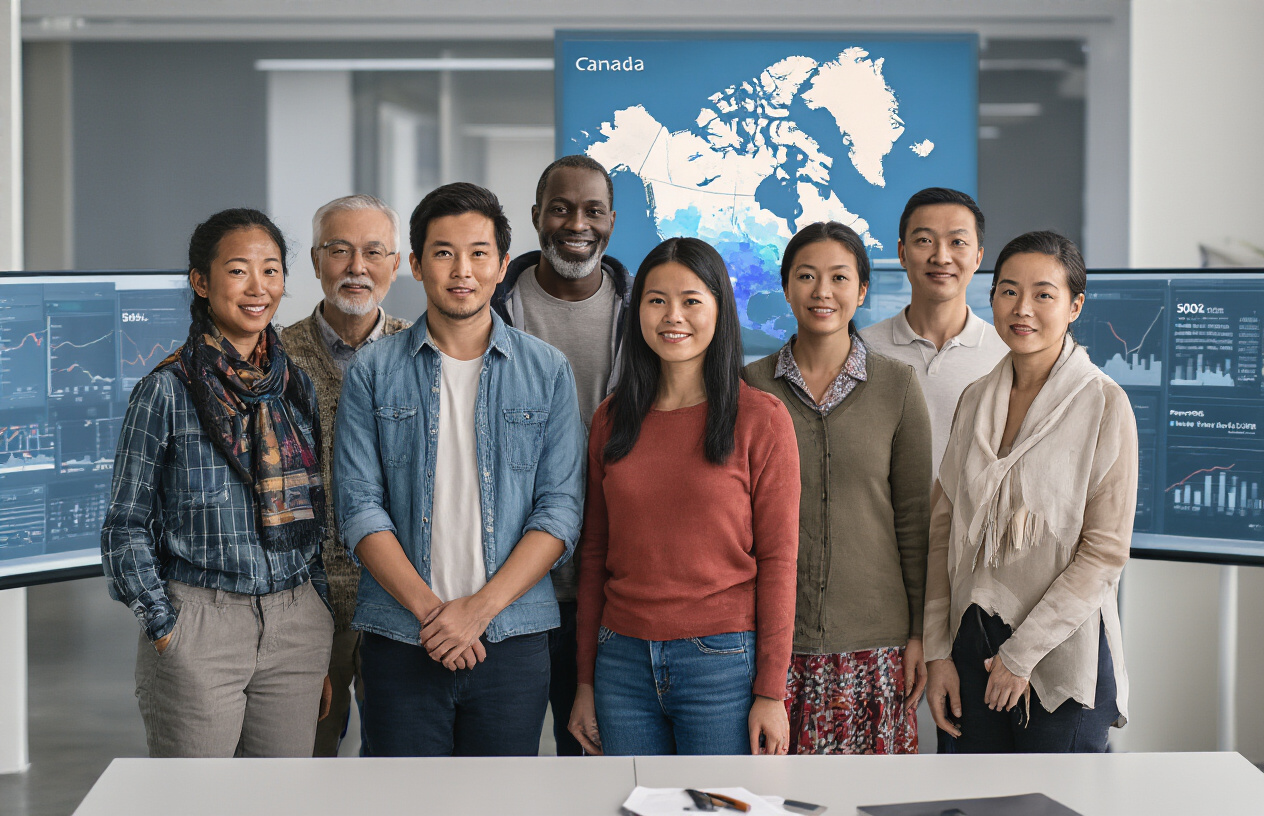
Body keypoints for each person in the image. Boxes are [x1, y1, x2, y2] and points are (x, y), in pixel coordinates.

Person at [333, 182, 586, 757]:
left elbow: (559, 512)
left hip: (513, 639)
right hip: (402, 636)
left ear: (501, 265)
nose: (462, 270)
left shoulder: (547, 371)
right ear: (417, 265)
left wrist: (477, 612)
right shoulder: (373, 371)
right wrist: (435, 617)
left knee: (501, 798)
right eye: (444, 253)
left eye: (478, 253)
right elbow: (359, 508)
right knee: (403, 798)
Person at [101, 208, 333, 757]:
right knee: (197, 796)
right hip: (201, 624)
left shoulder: (294, 385)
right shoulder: (166, 390)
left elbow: (313, 518)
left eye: (271, 270)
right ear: (201, 282)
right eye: (238, 270)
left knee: (281, 795)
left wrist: (316, 615)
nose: (258, 287)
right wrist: (165, 628)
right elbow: (124, 526)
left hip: (295, 624)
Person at [568, 237, 800, 757]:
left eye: (691, 300)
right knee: (631, 800)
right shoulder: (611, 419)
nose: (673, 316)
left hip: (720, 664)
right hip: (620, 663)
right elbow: (594, 555)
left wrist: (770, 692)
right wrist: (584, 682)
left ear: (719, 308)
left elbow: (780, 562)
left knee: (719, 802)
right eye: (657, 300)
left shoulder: (761, 419)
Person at [923, 231, 1137, 753]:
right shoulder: (975, 400)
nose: (1022, 308)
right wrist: (937, 652)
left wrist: (1021, 656)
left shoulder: (1104, 404)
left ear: (1074, 306)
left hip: (1059, 650)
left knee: (1053, 796)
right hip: (970, 643)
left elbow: (1104, 553)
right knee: (967, 796)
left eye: (1044, 294)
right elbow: (943, 532)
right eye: (1009, 291)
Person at [743, 222, 932, 754]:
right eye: (806, 276)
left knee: (872, 796)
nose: (822, 291)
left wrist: (919, 633)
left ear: (862, 290)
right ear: (786, 288)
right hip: (773, 646)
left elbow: (914, 522)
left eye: (839, 277)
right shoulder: (751, 387)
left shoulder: (897, 387)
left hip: (875, 648)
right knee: (775, 794)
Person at [490, 155, 631, 756]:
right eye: (561, 209)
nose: (577, 224)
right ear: (536, 217)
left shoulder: (645, 313)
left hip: (611, 588)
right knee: (501, 765)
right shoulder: (489, 308)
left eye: (593, 211)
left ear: (612, 221)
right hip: (508, 587)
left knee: (594, 762)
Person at [281, 194, 411, 757]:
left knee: (400, 769)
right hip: (301, 610)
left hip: (400, 604)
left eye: (373, 252)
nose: (357, 267)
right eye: (339, 250)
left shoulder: (423, 352)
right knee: (303, 766)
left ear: (396, 264)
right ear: (316, 261)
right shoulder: (272, 359)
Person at [860, 188, 1009, 475]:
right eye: (925, 241)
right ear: (902, 253)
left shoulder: (1006, 355)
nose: (941, 257)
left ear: (978, 257)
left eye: (957, 242)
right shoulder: (861, 349)